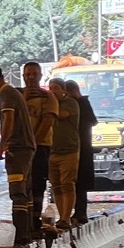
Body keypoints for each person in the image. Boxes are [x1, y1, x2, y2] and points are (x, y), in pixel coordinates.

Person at [0, 64, 35, 242]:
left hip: (18, 148)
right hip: (27, 147)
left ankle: (21, 235)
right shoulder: (14, 93)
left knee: (17, 191)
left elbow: (8, 120)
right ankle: (28, 231)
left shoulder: (6, 94)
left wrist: (2, 146)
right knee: (26, 190)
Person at [21, 61, 58, 231]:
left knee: (37, 183)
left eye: (34, 74)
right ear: (23, 76)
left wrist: (34, 144)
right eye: (28, 74)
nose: (31, 77)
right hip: (20, 148)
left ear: (40, 76)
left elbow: (47, 121)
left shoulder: (48, 97)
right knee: (21, 185)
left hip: (41, 146)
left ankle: (35, 220)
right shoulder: (18, 96)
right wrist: (24, 99)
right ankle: (23, 221)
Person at [46, 78, 80, 229]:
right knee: (56, 186)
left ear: (64, 90)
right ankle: (61, 217)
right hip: (52, 151)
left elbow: (60, 114)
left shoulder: (70, 103)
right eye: (50, 88)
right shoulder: (50, 104)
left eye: (56, 88)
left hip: (69, 151)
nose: (53, 91)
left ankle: (66, 218)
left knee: (67, 184)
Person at [64, 79, 97, 224]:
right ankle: (79, 212)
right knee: (79, 182)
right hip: (84, 145)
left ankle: (79, 212)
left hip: (79, 146)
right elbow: (93, 121)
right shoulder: (84, 103)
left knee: (78, 181)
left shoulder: (79, 103)